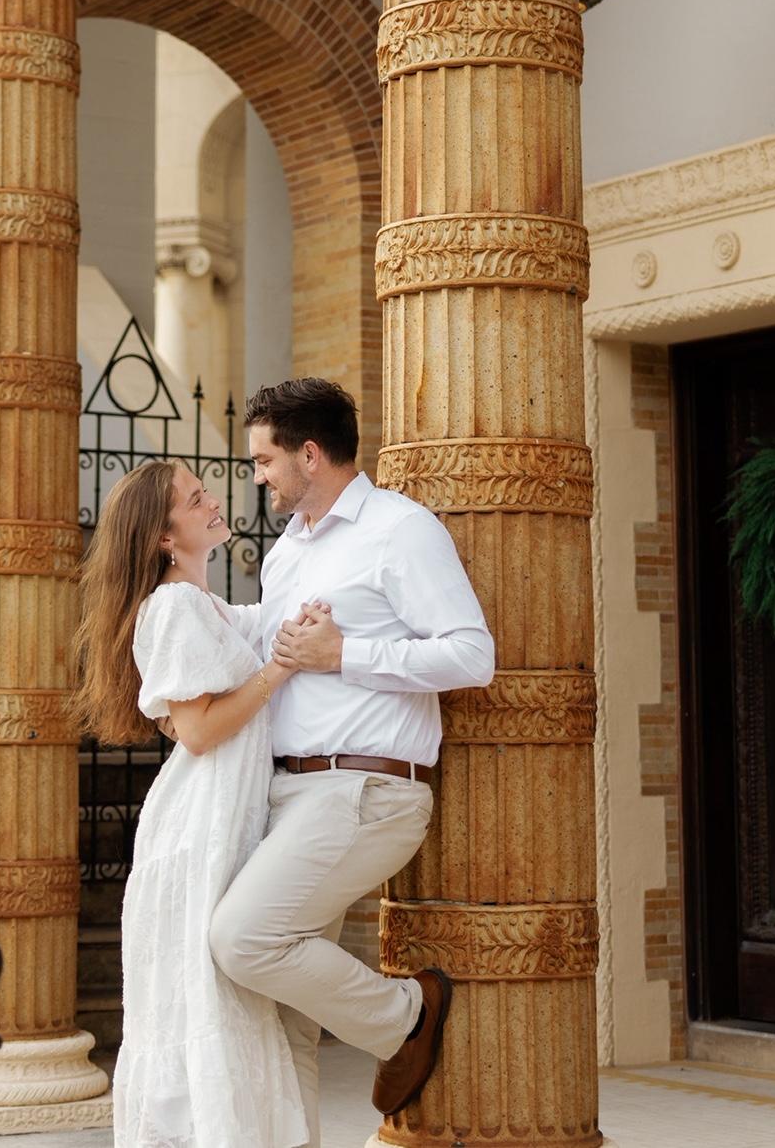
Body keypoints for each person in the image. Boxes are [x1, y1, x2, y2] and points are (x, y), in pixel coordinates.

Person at [208, 378, 495, 1143]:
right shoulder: (289, 550)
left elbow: (472, 655)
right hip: (289, 793)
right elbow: (270, 642)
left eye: (265, 460)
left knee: (242, 939)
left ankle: (406, 1015)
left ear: (309, 454)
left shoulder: (400, 530)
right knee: (285, 1025)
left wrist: (346, 654)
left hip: (365, 790)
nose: (258, 477)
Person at [71, 458, 314, 1148]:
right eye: (195, 498)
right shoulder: (174, 606)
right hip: (199, 821)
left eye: (205, 492)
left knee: (220, 998)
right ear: (163, 537)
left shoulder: (204, 607)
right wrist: (278, 670)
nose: (212, 501)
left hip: (221, 814)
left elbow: (263, 625)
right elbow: (200, 730)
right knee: (203, 998)